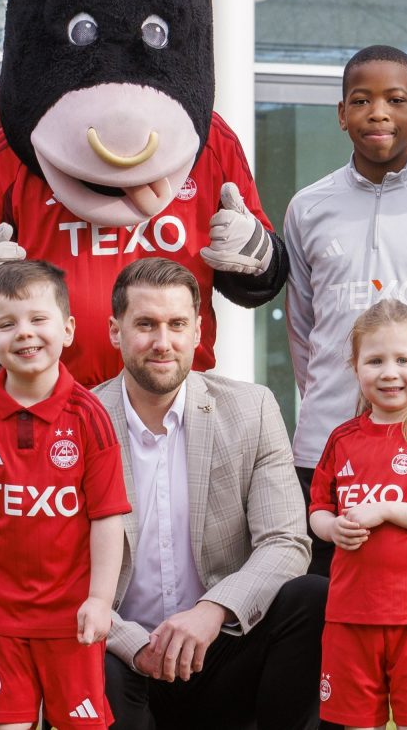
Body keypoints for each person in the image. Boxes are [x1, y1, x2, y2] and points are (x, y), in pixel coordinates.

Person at [283, 44, 407, 727]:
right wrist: (333, 416)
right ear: (340, 114)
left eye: (396, 99)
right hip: (329, 447)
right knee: (326, 613)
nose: (378, 113)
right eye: (361, 99)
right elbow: (304, 329)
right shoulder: (307, 208)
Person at [93, 257, 326, 730]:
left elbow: (285, 542)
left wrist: (212, 611)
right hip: (119, 655)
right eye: (146, 325)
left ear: (198, 331)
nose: (163, 342)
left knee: (312, 598)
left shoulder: (250, 409)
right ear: (115, 331)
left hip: (220, 647)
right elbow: (58, 570)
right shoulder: (80, 423)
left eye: (177, 324)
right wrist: (130, 643)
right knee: (88, 654)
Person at [0, 261, 131, 730]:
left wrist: (100, 599)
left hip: (71, 621)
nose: (24, 333)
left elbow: (107, 518)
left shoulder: (90, 417)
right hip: (1, 622)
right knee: (6, 724)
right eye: (7, 324)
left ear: (67, 329)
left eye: (37, 319)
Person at [308, 300, 407, 730]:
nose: (389, 372)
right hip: (348, 618)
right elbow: (317, 511)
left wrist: (385, 510)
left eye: (403, 359)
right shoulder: (341, 438)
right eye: (375, 360)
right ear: (356, 367)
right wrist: (332, 528)